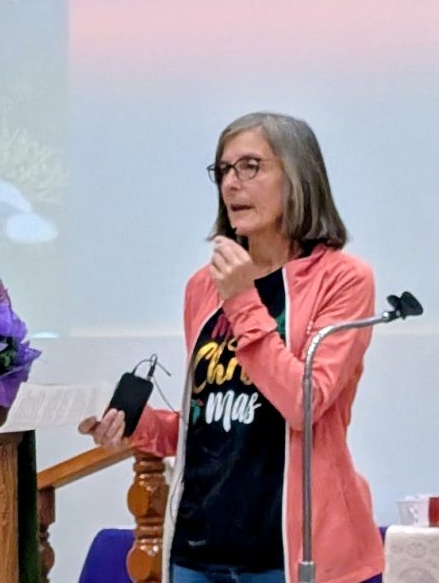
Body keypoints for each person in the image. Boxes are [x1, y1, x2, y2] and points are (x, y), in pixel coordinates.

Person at [80, 112, 384, 583]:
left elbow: (304, 405)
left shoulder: (341, 279)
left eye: (251, 167)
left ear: (298, 177)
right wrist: (136, 426)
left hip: (288, 554)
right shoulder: (203, 287)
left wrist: (243, 300)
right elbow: (210, 423)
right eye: (223, 170)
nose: (231, 184)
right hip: (198, 549)